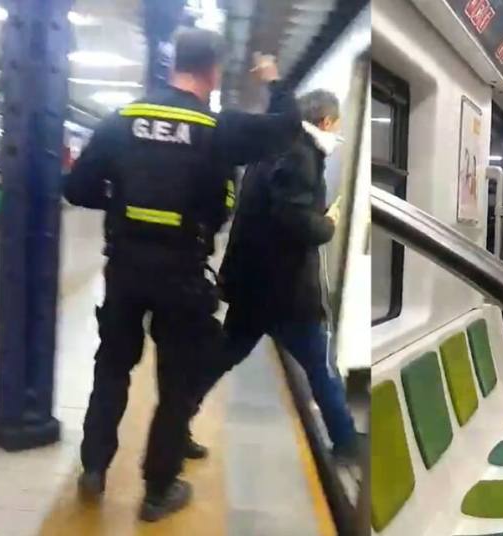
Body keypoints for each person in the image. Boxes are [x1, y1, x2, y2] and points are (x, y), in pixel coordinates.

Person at [64, 28, 301, 521]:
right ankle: (157, 491)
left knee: (112, 367)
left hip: (125, 268)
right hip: (182, 274)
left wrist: (123, 204)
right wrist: (273, 81)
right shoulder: (216, 127)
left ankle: (94, 467)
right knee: (175, 383)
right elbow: (286, 128)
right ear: (213, 71)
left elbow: (77, 188)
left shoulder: (122, 119)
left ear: (173, 64)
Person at [188, 89, 360, 462]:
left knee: (223, 355)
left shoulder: (272, 150)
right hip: (286, 290)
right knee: (320, 366)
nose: (337, 132)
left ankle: (176, 419)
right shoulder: (301, 155)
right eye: (336, 125)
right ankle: (347, 442)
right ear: (325, 121)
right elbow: (295, 221)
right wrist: (328, 223)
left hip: (254, 284)